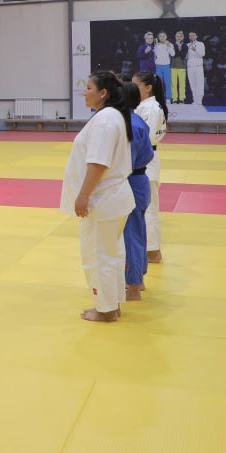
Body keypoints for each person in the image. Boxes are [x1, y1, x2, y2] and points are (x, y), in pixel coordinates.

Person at [60, 71, 135, 323]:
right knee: (111, 254)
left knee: (97, 256)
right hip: (113, 198)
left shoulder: (105, 120)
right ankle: (112, 303)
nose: (85, 92)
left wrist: (82, 196)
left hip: (103, 199)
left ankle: (105, 309)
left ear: (103, 93)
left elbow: (98, 163)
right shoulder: (111, 116)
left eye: (89, 87)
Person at [121, 81, 154, 302]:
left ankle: (133, 285)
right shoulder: (137, 120)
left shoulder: (130, 124)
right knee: (138, 230)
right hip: (140, 181)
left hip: (131, 181)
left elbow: (127, 161)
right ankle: (138, 278)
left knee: (130, 234)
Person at [134, 71, 169, 264]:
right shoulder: (143, 106)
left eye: (136, 86)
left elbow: (145, 137)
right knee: (142, 206)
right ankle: (145, 248)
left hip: (146, 158)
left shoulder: (152, 108)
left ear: (148, 88)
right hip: (142, 158)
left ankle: (153, 251)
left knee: (149, 208)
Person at [185, 31, 205, 106]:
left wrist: (195, 50)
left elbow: (202, 54)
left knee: (199, 83)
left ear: (196, 36)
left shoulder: (200, 44)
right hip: (190, 67)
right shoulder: (187, 45)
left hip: (198, 67)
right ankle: (195, 100)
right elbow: (186, 57)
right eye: (190, 35)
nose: (191, 37)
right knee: (192, 84)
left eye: (193, 35)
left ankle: (199, 100)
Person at [152, 31, 174, 97]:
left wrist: (169, 46)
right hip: (158, 66)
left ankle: (168, 98)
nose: (162, 37)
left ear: (166, 37)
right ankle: (159, 97)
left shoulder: (170, 44)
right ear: (158, 37)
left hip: (166, 65)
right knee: (158, 83)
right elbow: (154, 55)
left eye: (163, 36)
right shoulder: (156, 45)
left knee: (168, 82)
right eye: (160, 36)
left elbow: (173, 54)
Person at [170, 31, 188, 104]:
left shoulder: (185, 46)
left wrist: (180, 49)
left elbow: (183, 56)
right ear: (175, 37)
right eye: (177, 36)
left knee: (182, 84)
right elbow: (173, 55)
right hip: (173, 66)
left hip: (182, 66)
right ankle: (174, 98)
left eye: (180, 36)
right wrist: (178, 49)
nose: (179, 38)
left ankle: (182, 98)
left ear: (183, 37)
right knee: (173, 84)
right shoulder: (172, 45)